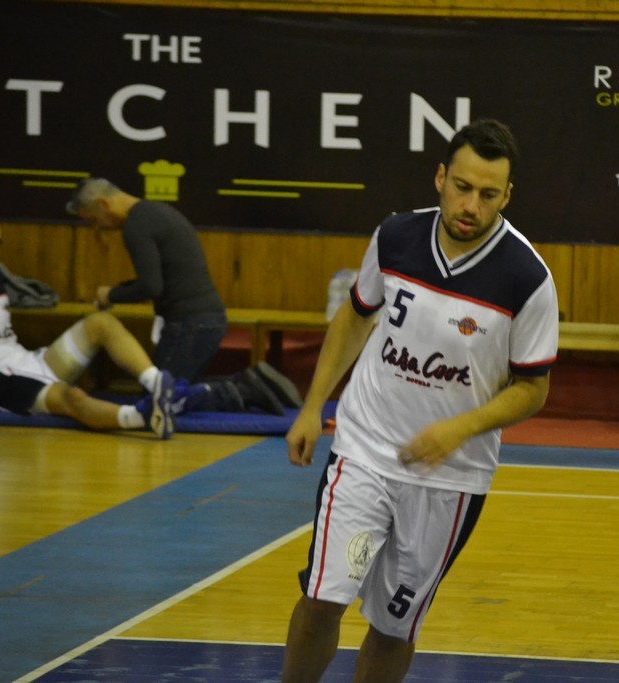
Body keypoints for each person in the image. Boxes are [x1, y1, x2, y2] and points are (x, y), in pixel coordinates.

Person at [281, 119, 559, 682]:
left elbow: (533, 389)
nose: (470, 205)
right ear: (440, 178)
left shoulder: (527, 278)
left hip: (450, 478)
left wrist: (458, 429)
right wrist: (313, 406)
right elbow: (355, 316)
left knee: (393, 626)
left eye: (487, 194)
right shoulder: (396, 236)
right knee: (322, 598)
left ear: (507, 196)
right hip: (364, 449)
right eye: (462, 187)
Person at [66, 177, 300, 414]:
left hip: (190, 324)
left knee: (158, 400)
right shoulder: (155, 212)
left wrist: (112, 295)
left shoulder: (135, 226)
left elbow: (150, 287)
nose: (97, 228)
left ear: (104, 204)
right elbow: (160, 278)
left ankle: (242, 389)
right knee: (172, 390)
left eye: (93, 220)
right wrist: (115, 292)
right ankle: (251, 382)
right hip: (205, 319)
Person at [0, 217, 175, 438]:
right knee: (71, 396)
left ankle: (157, 383)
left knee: (100, 322)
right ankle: (145, 417)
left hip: (27, 361)